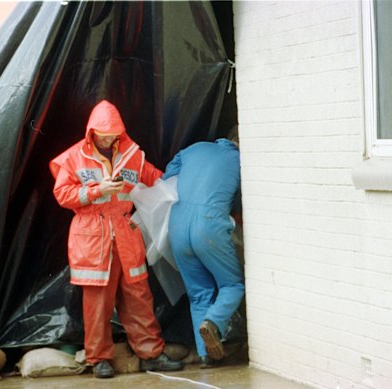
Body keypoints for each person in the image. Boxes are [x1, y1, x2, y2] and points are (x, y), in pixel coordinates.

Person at [49, 100, 183, 378]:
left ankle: (151, 355)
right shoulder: (74, 158)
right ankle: (99, 360)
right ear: (91, 133)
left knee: (139, 297)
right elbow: (63, 195)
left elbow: (156, 179)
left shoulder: (133, 155)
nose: (109, 139)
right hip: (92, 237)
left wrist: (182, 182)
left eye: (113, 134)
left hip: (125, 233)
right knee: (97, 303)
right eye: (103, 134)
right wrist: (98, 190)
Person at [162, 128, 245, 368]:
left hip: (176, 226)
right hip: (208, 225)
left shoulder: (192, 149)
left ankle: (205, 355)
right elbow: (242, 201)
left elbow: (168, 179)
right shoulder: (240, 160)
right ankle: (212, 322)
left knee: (199, 294)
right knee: (232, 285)